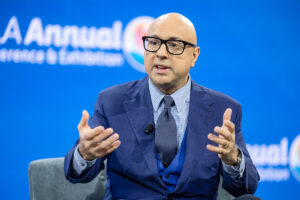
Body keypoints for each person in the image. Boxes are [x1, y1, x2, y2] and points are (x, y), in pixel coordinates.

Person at [64, 13, 260, 200]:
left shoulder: (222, 109)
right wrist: (85, 154)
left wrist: (232, 159)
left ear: (194, 55)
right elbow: (76, 174)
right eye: (153, 43)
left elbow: (246, 187)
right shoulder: (112, 101)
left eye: (174, 45)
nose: (160, 53)